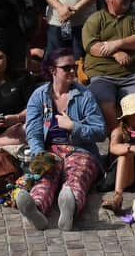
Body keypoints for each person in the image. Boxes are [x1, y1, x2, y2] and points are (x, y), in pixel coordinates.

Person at [18, 49, 107, 231]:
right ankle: (36, 209)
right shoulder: (39, 96)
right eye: (67, 68)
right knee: (45, 179)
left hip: (80, 150)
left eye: (74, 66)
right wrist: (39, 154)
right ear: (53, 71)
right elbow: (33, 133)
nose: (73, 71)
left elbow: (100, 131)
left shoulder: (84, 95)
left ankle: (69, 208)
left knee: (76, 177)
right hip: (51, 150)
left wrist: (74, 127)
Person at [81, 0, 135, 130]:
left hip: (132, 73)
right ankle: (117, 138)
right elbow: (91, 45)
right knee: (104, 100)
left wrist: (117, 43)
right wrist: (115, 53)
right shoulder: (95, 19)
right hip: (102, 73)